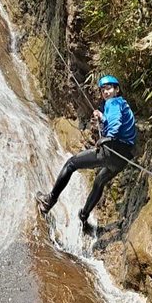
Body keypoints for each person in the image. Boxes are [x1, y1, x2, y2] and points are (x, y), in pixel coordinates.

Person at [37, 75, 137, 231]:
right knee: (99, 182)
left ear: (117, 89)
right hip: (122, 158)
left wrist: (108, 137)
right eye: (103, 90)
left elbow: (115, 122)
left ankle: (48, 201)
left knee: (71, 164)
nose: (106, 92)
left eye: (109, 88)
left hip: (112, 150)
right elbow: (116, 122)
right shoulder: (123, 105)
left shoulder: (114, 102)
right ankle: (84, 218)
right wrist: (102, 118)